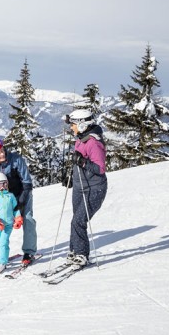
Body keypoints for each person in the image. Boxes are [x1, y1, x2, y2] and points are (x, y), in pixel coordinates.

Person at [0, 137, 37, 266]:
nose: (2, 154)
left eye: (2, 151)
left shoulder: (15, 159)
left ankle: (29, 252)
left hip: (21, 193)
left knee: (27, 219)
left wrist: (20, 202)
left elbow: (27, 183)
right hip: (2, 199)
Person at [65, 108, 107, 266]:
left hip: (94, 189)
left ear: (82, 124)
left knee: (78, 221)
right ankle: (74, 250)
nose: (71, 127)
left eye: (73, 124)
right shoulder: (80, 139)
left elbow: (100, 168)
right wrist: (71, 175)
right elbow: (78, 161)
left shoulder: (94, 143)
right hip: (79, 186)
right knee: (75, 220)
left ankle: (82, 254)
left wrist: (82, 162)